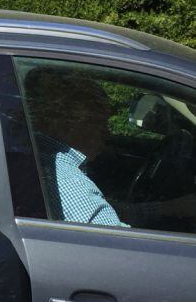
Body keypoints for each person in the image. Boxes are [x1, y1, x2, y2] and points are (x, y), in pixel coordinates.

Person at [23, 67, 127, 227]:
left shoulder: (37, 155)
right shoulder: (70, 182)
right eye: (99, 123)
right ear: (68, 123)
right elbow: (121, 246)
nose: (107, 134)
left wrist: (164, 208)